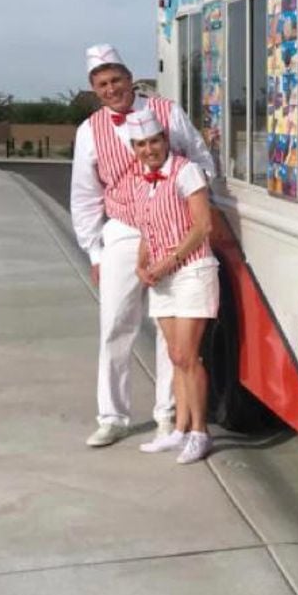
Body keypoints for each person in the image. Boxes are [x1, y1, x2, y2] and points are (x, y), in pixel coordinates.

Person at [70, 44, 216, 448]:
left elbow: (202, 159)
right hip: (123, 230)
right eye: (102, 84)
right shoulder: (89, 131)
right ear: (95, 89)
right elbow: (84, 195)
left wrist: (186, 192)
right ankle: (112, 416)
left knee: (170, 326)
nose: (111, 89)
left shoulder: (167, 112)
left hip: (173, 232)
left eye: (116, 80)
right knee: (116, 322)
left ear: (130, 78)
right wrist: (94, 252)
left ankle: (167, 415)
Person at [126, 110, 219, 463]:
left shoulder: (186, 171)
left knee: (188, 356)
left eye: (154, 141)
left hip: (192, 271)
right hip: (162, 278)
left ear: (165, 140)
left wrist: (169, 260)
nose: (148, 149)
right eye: (141, 144)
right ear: (134, 148)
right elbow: (147, 231)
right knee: (175, 355)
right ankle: (179, 429)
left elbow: (203, 226)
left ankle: (200, 432)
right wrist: (142, 264)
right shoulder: (140, 182)